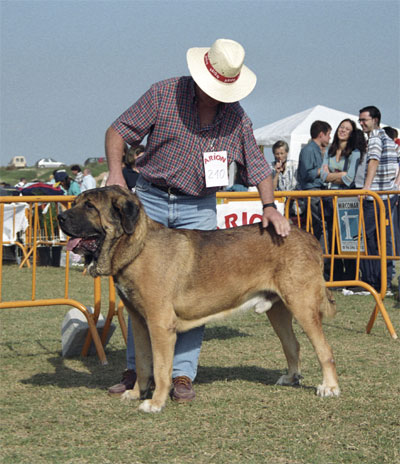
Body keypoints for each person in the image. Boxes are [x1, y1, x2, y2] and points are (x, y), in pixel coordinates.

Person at [105, 38, 290, 402]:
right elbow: (118, 131)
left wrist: (269, 206)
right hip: (152, 201)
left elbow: (258, 165)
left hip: (199, 206)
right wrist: (115, 172)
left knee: (197, 292)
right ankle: (136, 373)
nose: (220, 95)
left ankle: (182, 375)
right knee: (141, 293)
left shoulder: (236, 115)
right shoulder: (163, 94)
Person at [358, 105, 400, 295]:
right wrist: (395, 186)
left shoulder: (375, 137)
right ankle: (384, 282)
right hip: (388, 195)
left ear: (375, 120)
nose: (361, 123)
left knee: (370, 239)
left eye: (364, 120)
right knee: (382, 239)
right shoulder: (389, 139)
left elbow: (373, 160)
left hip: (375, 196)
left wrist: (366, 187)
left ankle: (374, 282)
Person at [320, 119, 360, 281]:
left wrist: (331, 176)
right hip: (330, 198)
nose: (343, 130)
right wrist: (339, 175)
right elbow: (322, 176)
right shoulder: (329, 150)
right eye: (341, 127)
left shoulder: (355, 152)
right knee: (332, 238)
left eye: (347, 129)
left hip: (347, 200)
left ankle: (350, 276)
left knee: (348, 238)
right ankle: (335, 276)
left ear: (352, 134)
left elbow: (349, 178)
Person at [297, 120, 332, 241]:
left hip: (318, 191)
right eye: (328, 134)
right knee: (318, 226)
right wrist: (322, 170)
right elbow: (306, 174)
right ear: (321, 134)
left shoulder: (317, 149)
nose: (330, 138)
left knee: (321, 225)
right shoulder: (309, 150)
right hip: (312, 191)